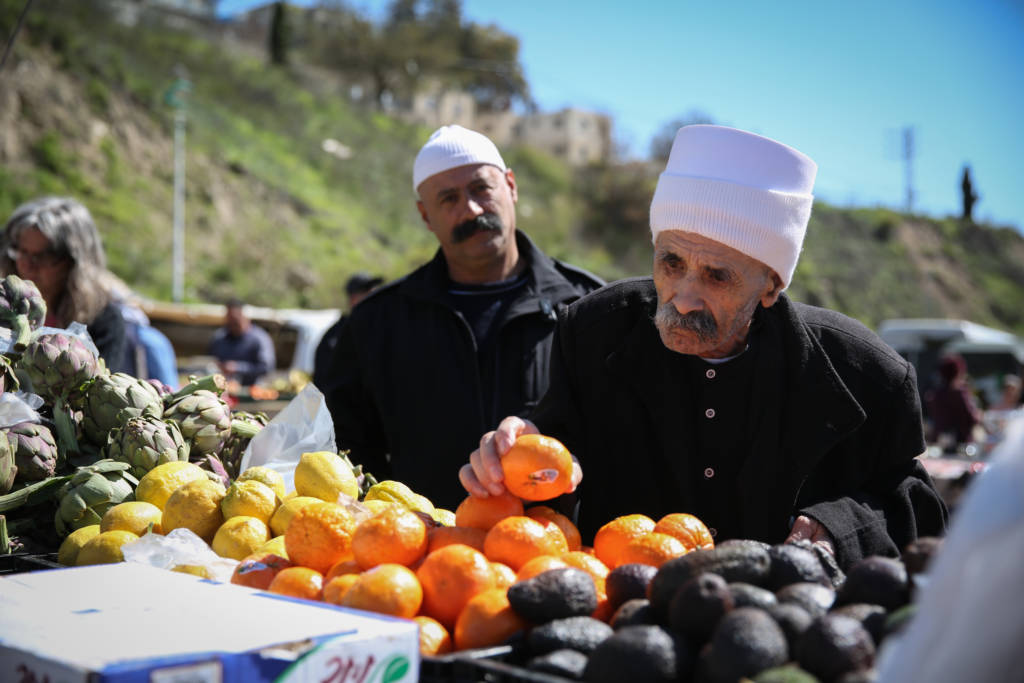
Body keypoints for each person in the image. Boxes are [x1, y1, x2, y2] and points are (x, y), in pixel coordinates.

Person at [462, 125, 947, 569]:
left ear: (771, 286)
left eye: (717, 275)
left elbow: (913, 504)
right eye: (670, 262)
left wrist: (837, 528)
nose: (683, 299)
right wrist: (514, 449)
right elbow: (557, 447)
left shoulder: (865, 374)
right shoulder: (594, 331)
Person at [325, 125, 604, 508]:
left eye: (481, 189)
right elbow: (344, 451)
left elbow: (623, 435)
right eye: (449, 198)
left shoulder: (588, 306)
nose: (471, 209)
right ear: (426, 216)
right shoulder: (378, 323)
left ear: (511, 186)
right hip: (423, 556)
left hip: (560, 552)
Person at [1, 197, 127, 371]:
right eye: (22, 251)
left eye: (44, 256)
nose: (28, 265)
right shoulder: (5, 308)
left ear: (74, 261)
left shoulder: (103, 322)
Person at [312, 272, 383, 390]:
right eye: (370, 294)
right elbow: (325, 380)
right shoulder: (337, 335)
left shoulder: (379, 329)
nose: (377, 299)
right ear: (354, 299)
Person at [207, 297, 275, 386]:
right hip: (223, 390)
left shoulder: (259, 338)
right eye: (229, 319)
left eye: (235, 320)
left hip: (251, 392)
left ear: (245, 317)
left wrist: (238, 367)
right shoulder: (220, 337)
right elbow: (211, 360)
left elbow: (266, 368)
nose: (232, 324)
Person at [925, 354, 984, 448]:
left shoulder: (934, 394)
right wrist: (979, 415)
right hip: (961, 443)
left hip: (940, 441)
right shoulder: (960, 393)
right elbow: (972, 418)